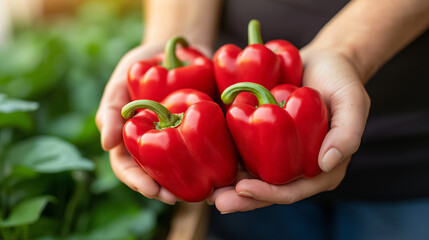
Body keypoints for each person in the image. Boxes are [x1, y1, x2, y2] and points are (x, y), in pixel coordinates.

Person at [96, 0, 429, 239]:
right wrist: (172, 36)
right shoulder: (221, 109)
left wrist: (346, 51)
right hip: (242, 152)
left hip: (409, 155)